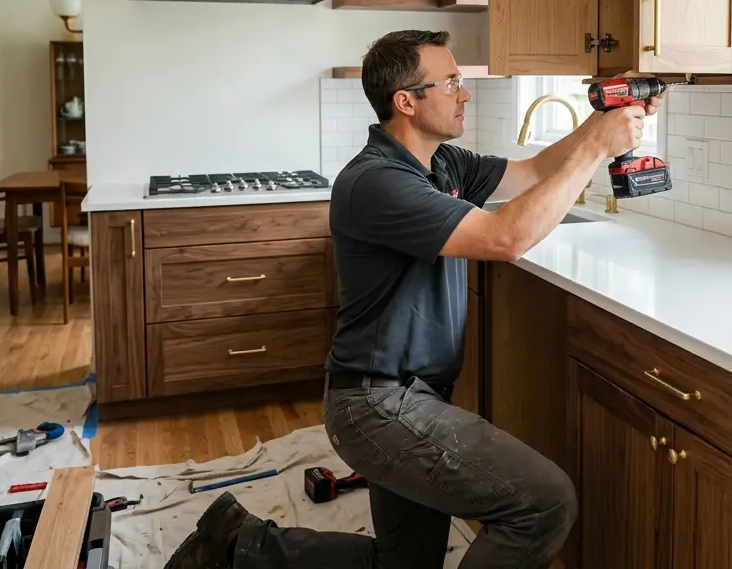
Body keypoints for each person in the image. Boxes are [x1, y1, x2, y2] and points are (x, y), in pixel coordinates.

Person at [166, 29, 657, 569]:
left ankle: (234, 544)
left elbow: (534, 173)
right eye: (450, 82)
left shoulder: (443, 164)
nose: (464, 93)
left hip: (412, 397)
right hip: (378, 405)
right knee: (544, 502)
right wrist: (597, 147)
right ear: (406, 101)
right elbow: (507, 238)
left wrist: (606, 120)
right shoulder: (376, 181)